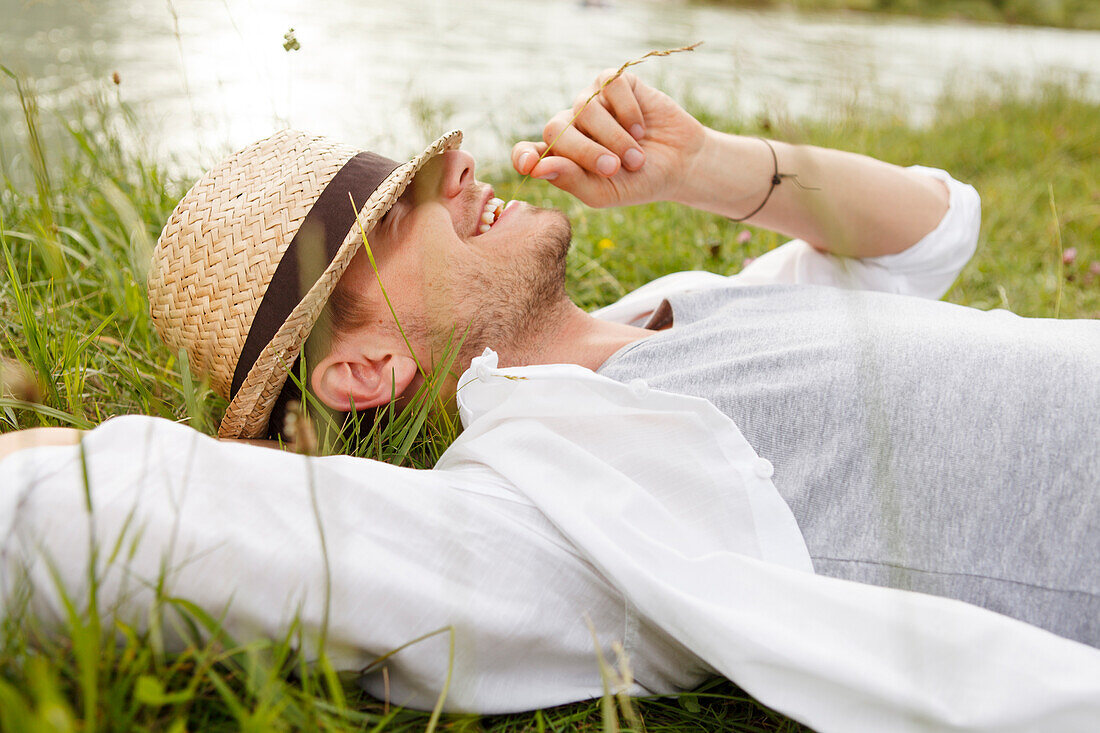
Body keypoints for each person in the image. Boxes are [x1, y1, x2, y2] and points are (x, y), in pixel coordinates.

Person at [1, 73, 1098, 732]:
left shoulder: (677, 305)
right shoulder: (551, 501)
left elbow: (929, 227)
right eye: (391, 212)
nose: (460, 175)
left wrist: (705, 166)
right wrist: (56, 437)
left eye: (420, 168)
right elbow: (95, 513)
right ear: (362, 369)